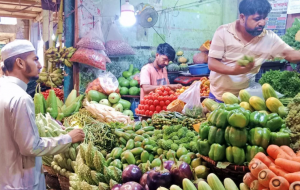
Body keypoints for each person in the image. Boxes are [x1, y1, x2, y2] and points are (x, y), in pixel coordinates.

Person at [0, 40, 85, 190]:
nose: (40, 65)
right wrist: (68, 138)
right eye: (35, 59)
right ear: (19, 63)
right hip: (22, 183)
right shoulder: (21, 98)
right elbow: (31, 147)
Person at [208, 0, 300, 103]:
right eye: (257, 19)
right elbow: (212, 63)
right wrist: (235, 71)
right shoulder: (223, 32)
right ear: (242, 17)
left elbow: (290, 55)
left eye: (264, 18)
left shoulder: (269, 38)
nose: (262, 23)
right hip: (218, 97)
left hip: (245, 99)